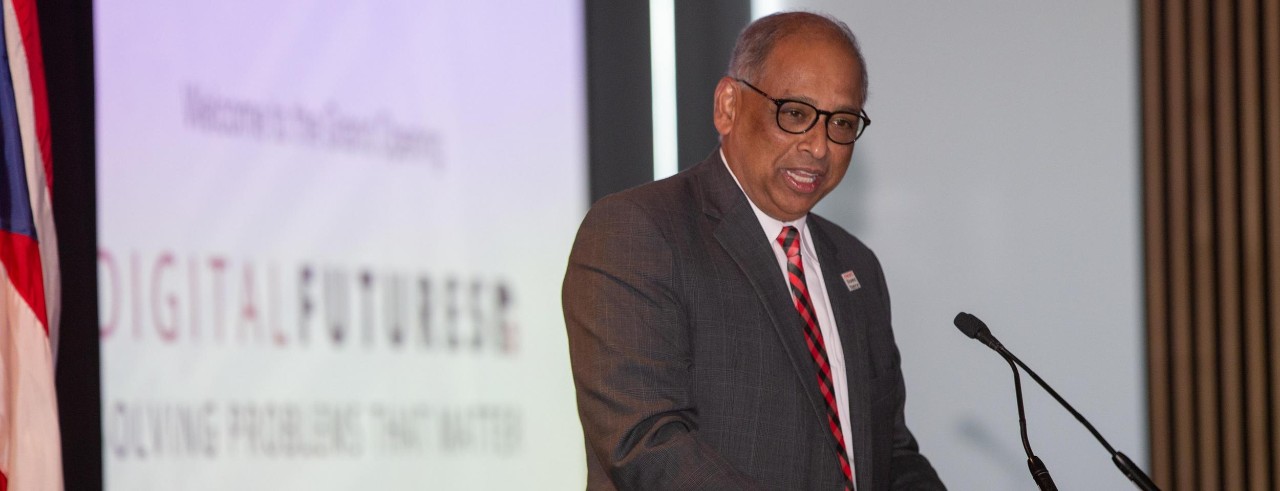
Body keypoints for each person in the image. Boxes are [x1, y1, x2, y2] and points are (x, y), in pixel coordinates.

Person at [562, 11, 945, 491]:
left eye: (841, 122)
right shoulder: (638, 231)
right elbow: (646, 442)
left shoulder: (855, 266)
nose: (819, 146)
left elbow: (888, 454)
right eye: (796, 114)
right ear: (727, 105)